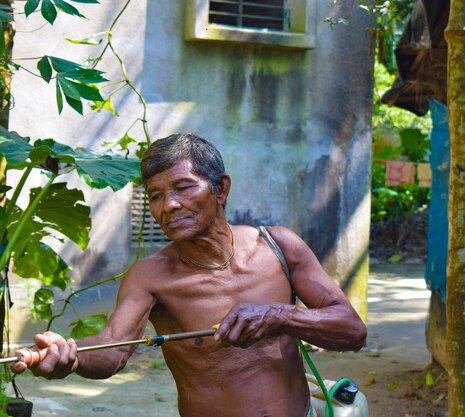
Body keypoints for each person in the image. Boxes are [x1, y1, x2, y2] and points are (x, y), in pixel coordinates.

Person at [11, 132, 367, 417]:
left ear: (221, 189)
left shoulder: (278, 247)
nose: (169, 205)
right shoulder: (150, 277)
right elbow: (113, 349)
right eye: (156, 195)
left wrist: (279, 315)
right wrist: (68, 354)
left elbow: (352, 331)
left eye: (183, 188)